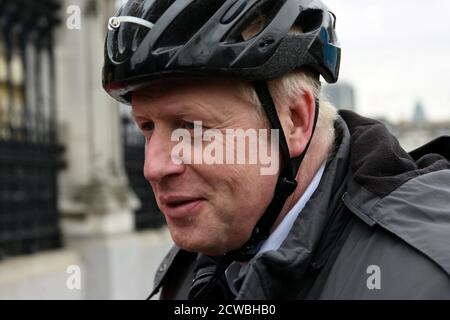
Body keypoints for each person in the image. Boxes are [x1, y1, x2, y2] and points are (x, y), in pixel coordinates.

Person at [102, 0, 450, 299]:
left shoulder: (423, 279)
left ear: (295, 120)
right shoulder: (198, 263)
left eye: (192, 129)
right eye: (147, 127)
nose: (154, 167)